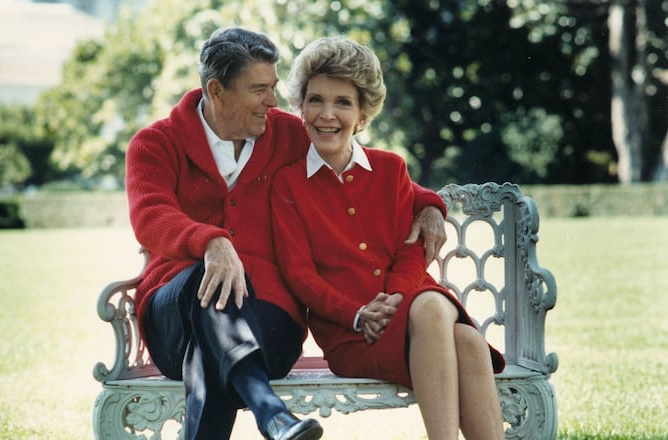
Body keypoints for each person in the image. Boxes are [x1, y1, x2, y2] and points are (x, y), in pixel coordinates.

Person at [124, 27, 447, 440]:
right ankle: (270, 412)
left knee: (210, 352)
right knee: (205, 286)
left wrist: (428, 202)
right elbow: (150, 215)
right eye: (259, 89)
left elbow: (355, 169)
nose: (274, 102)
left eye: (274, 87)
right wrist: (212, 241)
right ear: (217, 90)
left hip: (269, 324)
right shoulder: (155, 143)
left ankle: (272, 415)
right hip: (174, 317)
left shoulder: (287, 135)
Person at [270, 36, 506, 440]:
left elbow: (413, 248)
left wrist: (394, 300)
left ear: (362, 115)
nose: (327, 114)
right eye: (316, 100)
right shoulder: (287, 184)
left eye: (343, 102)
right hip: (352, 332)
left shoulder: (390, 168)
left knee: (459, 331)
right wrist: (358, 314)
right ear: (300, 107)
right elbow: (300, 275)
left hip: (414, 308)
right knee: (458, 332)